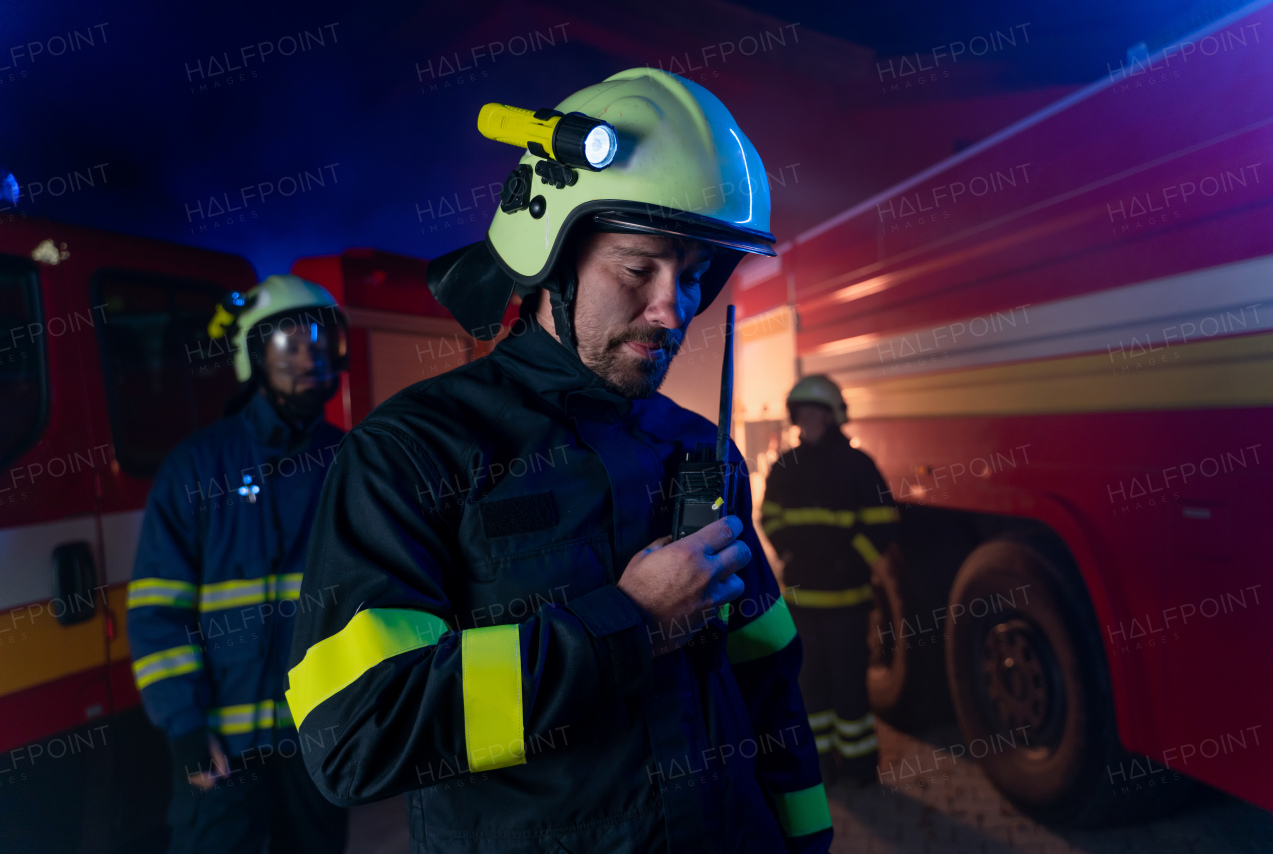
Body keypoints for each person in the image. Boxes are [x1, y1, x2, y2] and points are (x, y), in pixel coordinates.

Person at [285, 68, 832, 853]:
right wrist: (629, 625)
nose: (672, 308)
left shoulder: (696, 448)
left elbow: (767, 670)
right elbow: (357, 730)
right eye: (639, 268)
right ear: (551, 255)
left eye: (696, 275)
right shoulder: (413, 452)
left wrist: (804, 839)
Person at [126, 275, 351, 854]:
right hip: (222, 752)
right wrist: (186, 732)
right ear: (254, 355)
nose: (312, 356)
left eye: (323, 341)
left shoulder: (350, 462)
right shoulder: (196, 468)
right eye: (290, 343)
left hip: (315, 744)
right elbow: (157, 616)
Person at [760, 376, 901, 787]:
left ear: (832, 415)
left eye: (815, 411)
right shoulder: (786, 464)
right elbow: (769, 515)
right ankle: (820, 766)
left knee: (849, 684)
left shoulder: (857, 465)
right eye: (802, 412)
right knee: (810, 685)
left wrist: (850, 561)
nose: (808, 418)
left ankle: (859, 767)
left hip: (847, 598)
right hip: (803, 598)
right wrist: (787, 550)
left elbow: (882, 522)